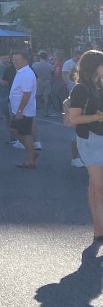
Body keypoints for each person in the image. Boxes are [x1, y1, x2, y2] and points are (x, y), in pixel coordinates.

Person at [64, 50, 103, 240]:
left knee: (96, 186)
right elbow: (73, 119)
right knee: (98, 186)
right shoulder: (81, 88)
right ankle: (99, 229)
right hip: (89, 139)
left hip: (100, 137)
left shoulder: (100, 85)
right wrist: (98, 116)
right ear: (94, 66)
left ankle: (99, 228)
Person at [10, 51, 39, 169]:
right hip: (19, 109)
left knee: (24, 134)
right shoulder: (21, 72)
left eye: (17, 60)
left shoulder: (27, 73)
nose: (14, 62)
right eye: (13, 60)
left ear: (25, 60)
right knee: (14, 130)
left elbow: (26, 94)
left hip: (24, 111)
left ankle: (30, 160)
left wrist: (20, 111)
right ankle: (31, 152)